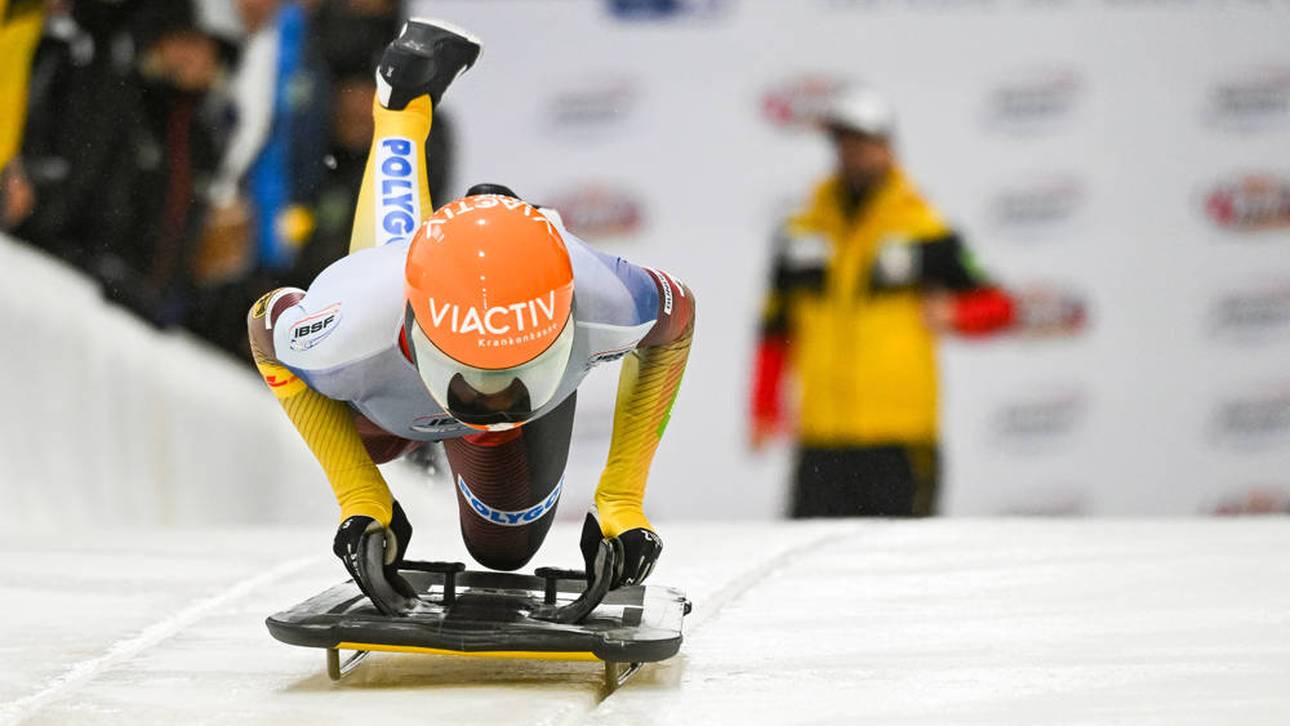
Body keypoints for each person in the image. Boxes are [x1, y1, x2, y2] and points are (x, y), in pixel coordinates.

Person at [248, 19, 695, 614]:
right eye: (477, 381)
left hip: (400, 354)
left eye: (513, 376)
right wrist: (361, 498)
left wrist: (620, 499)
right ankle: (401, 109)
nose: (492, 400)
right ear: (420, 337)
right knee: (383, 293)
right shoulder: (353, 324)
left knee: (503, 547)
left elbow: (678, 320)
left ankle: (404, 106)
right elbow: (265, 326)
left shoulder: (603, 296)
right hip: (383, 351)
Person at [750, 86, 1014, 518]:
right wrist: (764, 406)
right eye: (842, 142)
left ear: (887, 147)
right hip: (821, 441)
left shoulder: (926, 229)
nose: (851, 152)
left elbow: (1000, 306)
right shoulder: (802, 233)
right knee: (807, 575)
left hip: (900, 440)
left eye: (862, 141)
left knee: (904, 573)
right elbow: (775, 329)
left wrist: (955, 314)